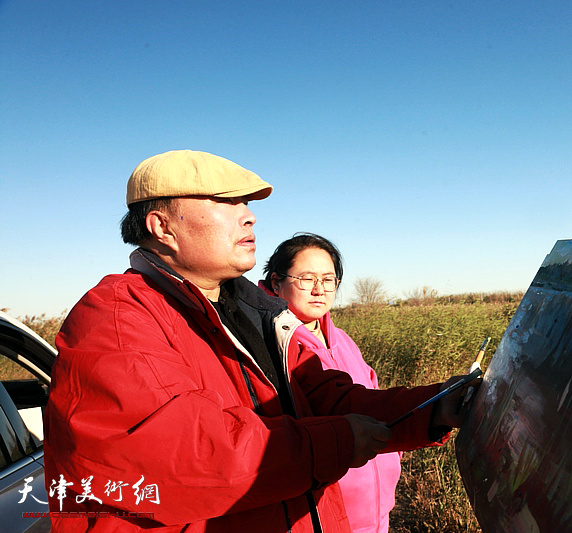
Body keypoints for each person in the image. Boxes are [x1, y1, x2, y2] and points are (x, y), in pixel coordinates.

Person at [43, 149, 470, 533]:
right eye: (226, 204)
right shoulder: (117, 317)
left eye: (246, 204)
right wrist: (336, 442)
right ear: (162, 227)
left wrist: (433, 408)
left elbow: (331, 400)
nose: (249, 217)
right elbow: (185, 454)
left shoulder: (259, 314)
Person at [261, 233, 399, 533]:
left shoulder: (342, 340)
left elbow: (370, 399)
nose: (319, 290)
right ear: (275, 282)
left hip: (375, 513)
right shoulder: (269, 346)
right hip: (321, 516)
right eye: (306, 278)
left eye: (328, 279)